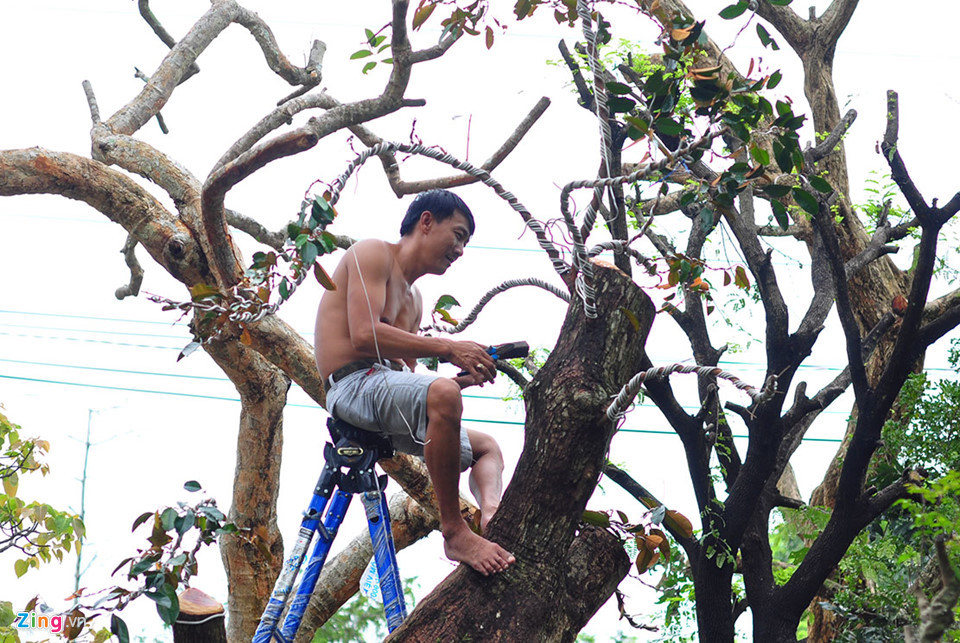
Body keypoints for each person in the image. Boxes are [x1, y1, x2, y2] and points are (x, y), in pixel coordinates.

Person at [314, 189, 515, 576]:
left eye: (466, 242)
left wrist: (462, 381)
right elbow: (363, 335)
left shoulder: (416, 300)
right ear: (426, 222)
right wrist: (448, 347)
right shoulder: (372, 253)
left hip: (380, 396)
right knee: (441, 393)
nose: (460, 250)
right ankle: (454, 531)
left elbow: (406, 381)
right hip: (350, 386)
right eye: (457, 235)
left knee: (487, 448)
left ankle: (491, 514)